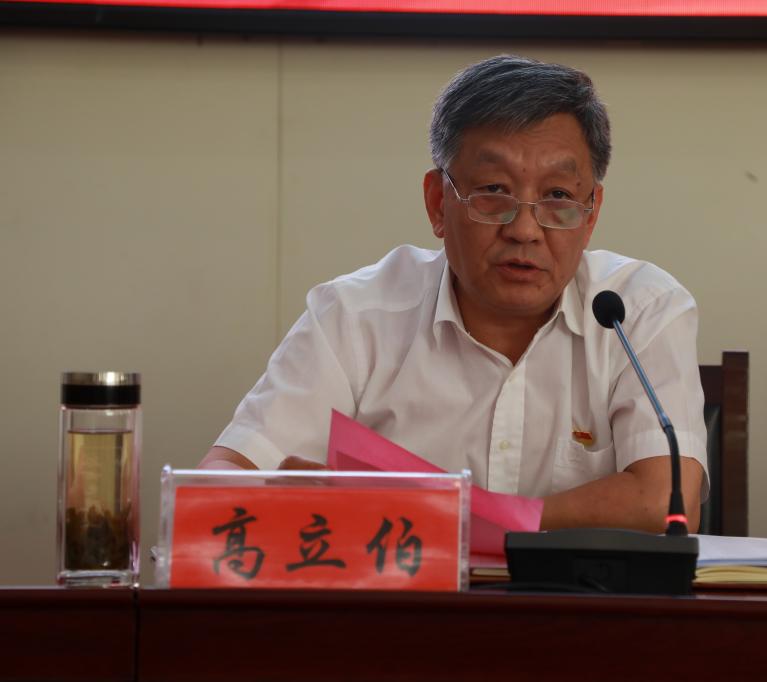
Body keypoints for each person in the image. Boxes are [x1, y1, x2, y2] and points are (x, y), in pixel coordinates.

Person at [200, 54, 708, 533]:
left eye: (557, 196)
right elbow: (221, 484)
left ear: (590, 213)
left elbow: (663, 502)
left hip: (579, 600)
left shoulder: (638, 310)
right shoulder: (355, 315)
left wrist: (448, 516)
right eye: (494, 191)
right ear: (438, 203)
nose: (524, 229)